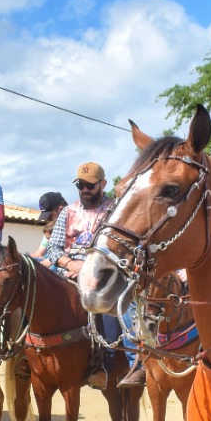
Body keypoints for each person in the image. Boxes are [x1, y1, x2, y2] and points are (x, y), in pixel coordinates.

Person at [45, 162, 144, 388]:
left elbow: (123, 245)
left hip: (104, 270)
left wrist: (88, 267)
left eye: (90, 185)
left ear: (103, 184)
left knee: (122, 302)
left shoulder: (116, 210)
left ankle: (131, 363)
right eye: (80, 185)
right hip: (67, 269)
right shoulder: (68, 212)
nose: (84, 189)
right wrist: (71, 263)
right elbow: (54, 248)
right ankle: (23, 349)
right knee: (34, 289)